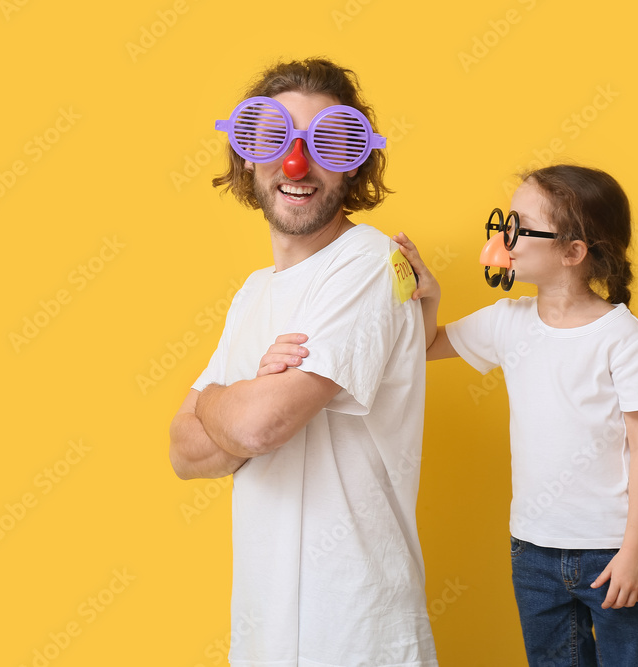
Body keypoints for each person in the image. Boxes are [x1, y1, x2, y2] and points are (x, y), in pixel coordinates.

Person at [168, 58, 438, 667]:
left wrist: (218, 400)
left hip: (355, 636)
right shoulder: (253, 293)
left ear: (356, 160)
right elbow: (185, 453)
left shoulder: (369, 264)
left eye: (328, 141)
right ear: (247, 156)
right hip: (264, 637)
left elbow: (258, 426)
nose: (298, 164)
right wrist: (240, 406)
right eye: (274, 138)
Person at [394, 165, 638, 665]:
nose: (505, 238)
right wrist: (430, 295)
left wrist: (634, 552)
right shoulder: (508, 322)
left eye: (519, 228)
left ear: (572, 252)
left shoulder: (625, 340)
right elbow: (425, 344)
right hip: (533, 551)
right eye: (507, 224)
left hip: (612, 549)